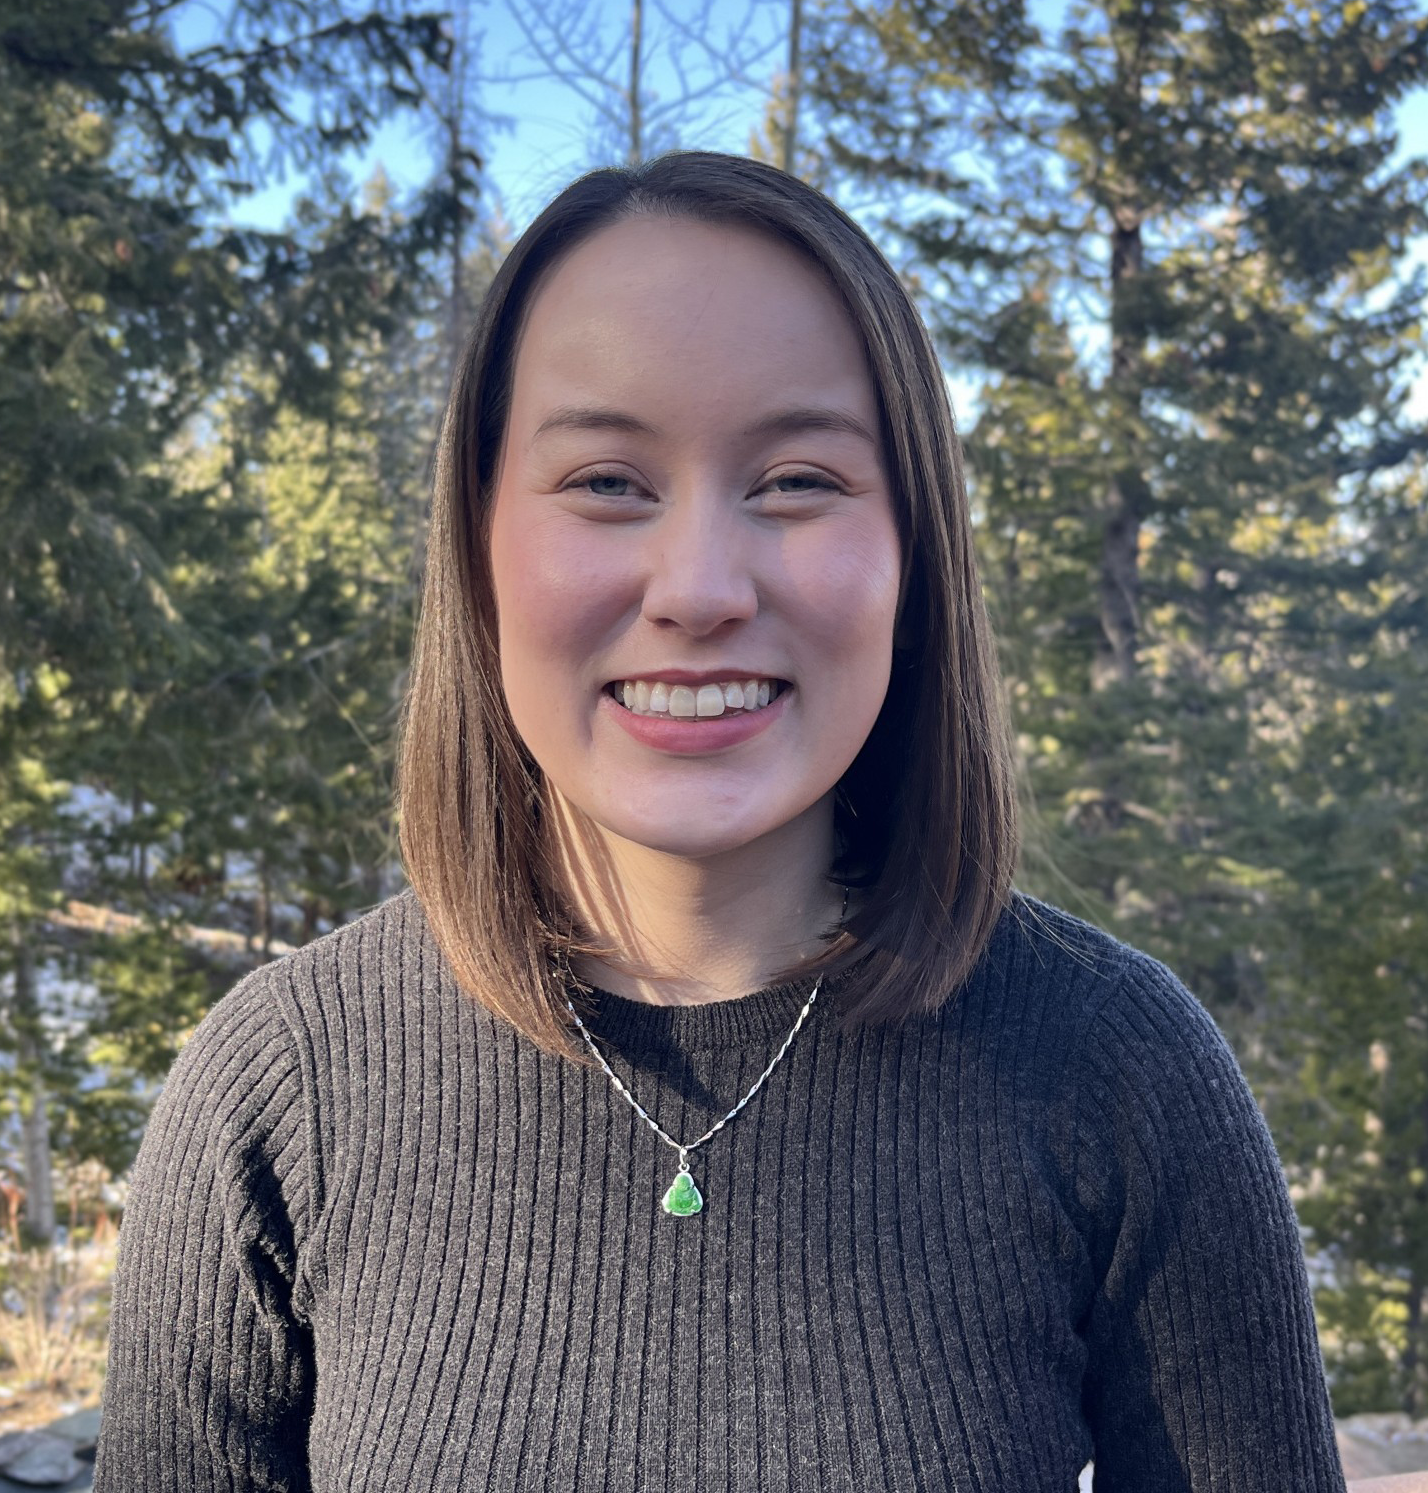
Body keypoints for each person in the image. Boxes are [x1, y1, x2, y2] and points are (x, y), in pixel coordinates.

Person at [92, 151, 1348, 1491]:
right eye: (607, 484)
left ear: (913, 553)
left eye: (800, 478)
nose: (698, 586)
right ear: (481, 538)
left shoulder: (1119, 1070)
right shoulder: (281, 1094)